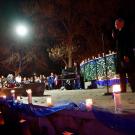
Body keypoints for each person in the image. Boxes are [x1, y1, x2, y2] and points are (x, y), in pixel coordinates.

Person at [112, 18, 135, 92]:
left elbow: (126, 44)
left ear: (121, 23)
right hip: (120, 56)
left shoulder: (126, 31)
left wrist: (126, 55)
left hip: (125, 55)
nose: (115, 25)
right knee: (122, 74)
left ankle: (134, 88)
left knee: (130, 73)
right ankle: (123, 89)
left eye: (116, 23)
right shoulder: (119, 31)